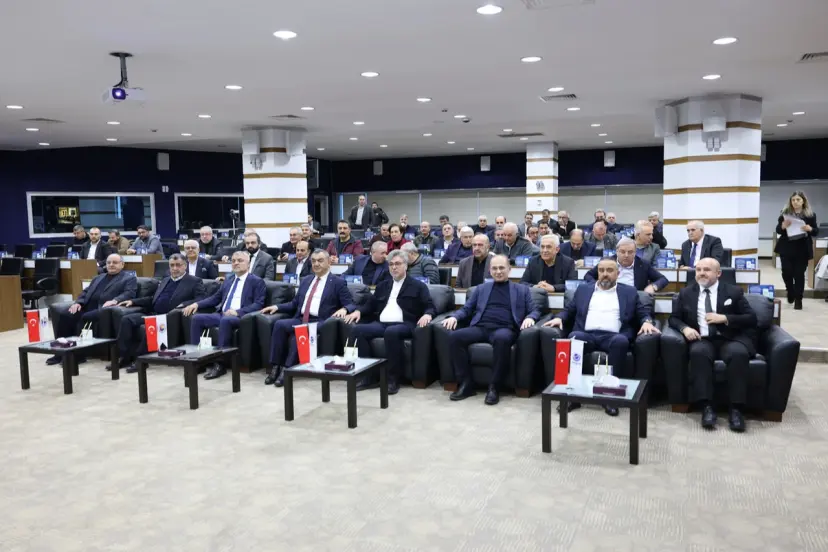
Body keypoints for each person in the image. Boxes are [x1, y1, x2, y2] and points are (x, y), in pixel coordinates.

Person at [543, 258, 659, 415]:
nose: (605, 274)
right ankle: (572, 396)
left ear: (618, 273)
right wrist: (559, 318)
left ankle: (609, 397)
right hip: (587, 334)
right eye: (601, 270)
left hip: (614, 336)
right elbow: (569, 309)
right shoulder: (584, 289)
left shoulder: (629, 292)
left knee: (620, 341)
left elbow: (642, 311)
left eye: (609, 270)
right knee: (574, 338)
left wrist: (646, 322)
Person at [668, 258, 757, 432]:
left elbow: (751, 318)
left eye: (707, 270)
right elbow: (674, 318)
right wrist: (685, 328)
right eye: (698, 270)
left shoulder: (734, 292)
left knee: (738, 354)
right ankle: (707, 408)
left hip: (730, 338)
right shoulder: (686, 293)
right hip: (703, 339)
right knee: (698, 354)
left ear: (718, 273)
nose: (701, 273)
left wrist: (725, 318)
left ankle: (736, 409)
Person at [444, 255, 540, 405]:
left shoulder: (522, 290)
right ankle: (466, 383)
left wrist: (530, 318)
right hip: (480, 327)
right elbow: (466, 309)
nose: (498, 271)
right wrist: (454, 317)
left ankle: (494, 387)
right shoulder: (481, 289)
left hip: (505, 329)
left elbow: (535, 310)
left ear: (509, 269)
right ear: (490, 270)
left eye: (502, 268)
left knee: (502, 339)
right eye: (494, 268)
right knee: (455, 337)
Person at [342, 249, 436, 394]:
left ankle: (393, 380)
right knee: (357, 330)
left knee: (391, 332)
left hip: (405, 324)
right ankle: (368, 376)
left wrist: (428, 314)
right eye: (391, 264)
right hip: (381, 324)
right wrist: (358, 311)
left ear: (406, 266)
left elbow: (429, 305)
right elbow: (370, 304)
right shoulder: (383, 285)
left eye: (398, 264)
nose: (394, 267)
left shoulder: (418, 286)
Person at [260, 249, 354, 386]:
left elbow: (350, 303)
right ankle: (275, 366)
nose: (316, 264)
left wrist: (345, 309)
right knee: (279, 324)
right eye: (313, 261)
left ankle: (287, 370)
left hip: (320, 321)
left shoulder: (338, 282)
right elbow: (295, 303)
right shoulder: (306, 280)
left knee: (299, 332)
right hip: (301, 318)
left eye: (320, 261)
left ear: (329, 262)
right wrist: (277, 307)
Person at [183, 251, 267, 379]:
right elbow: (215, 298)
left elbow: (258, 304)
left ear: (248, 264)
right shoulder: (228, 279)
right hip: (222, 314)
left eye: (240, 260)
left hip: (241, 317)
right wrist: (197, 304)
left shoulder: (257, 281)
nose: (236, 263)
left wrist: (238, 312)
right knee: (196, 319)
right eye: (233, 261)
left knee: (226, 320)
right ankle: (198, 361)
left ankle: (220, 364)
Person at [115, 254, 206, 372]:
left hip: (170, 317)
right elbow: (153, 299)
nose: (175, 268)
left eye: (178, 265)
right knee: (126, 319)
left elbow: (201, 298)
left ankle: (140, 361)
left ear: (185, 266)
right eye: (172, 265)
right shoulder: (166, 280)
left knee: (152, 324)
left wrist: (185, 304)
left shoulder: (194, 281)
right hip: (153, 312)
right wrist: (133, 301)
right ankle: (124, 357)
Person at [45, 254, 137, 366]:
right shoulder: (98, 277)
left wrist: (115, 300)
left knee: (85, 317)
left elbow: (129, 293)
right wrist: (78, 303)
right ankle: (60, 352)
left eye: (115, 262)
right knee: (65, 315)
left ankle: (79, 355)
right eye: (108, 262)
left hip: (103, 309)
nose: (111, 265)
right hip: (86, 306)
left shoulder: (128, 278)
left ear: (122, 264)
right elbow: (85, 292)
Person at [775, 190, 819, 310]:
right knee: (786, 272)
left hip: (802, 249)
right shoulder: (785, 213)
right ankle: (790, 290)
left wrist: (810, 229)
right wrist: (783, 226)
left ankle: (798, 299)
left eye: (798, 199)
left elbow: (816, 231)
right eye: (793, 200)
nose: (795, 202)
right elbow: (778, 229)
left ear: (803, 201)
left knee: (799, 274)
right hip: (787, 247)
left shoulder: (810, 215)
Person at [584, 237, 668, 294]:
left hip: (633, 298)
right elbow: (588, 275)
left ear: (635, 252)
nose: (626, 255)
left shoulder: (643, 264)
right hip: (610, 295)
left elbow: (663, 279)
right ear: (617, 251)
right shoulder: (607, 262)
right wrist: (598, 285)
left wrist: (653, 287)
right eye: (622, 252)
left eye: (630, 252)